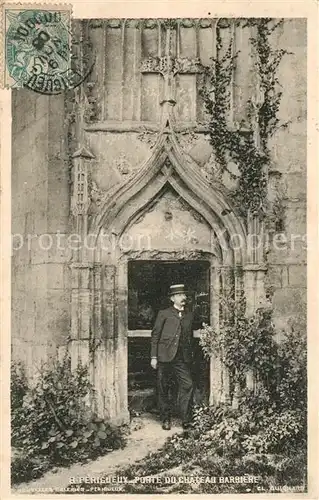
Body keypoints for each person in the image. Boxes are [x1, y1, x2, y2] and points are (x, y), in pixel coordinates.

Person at [150, 284, 196, 434]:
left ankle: (186, 420)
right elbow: (155, 335)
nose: (183, 297)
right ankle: (165, 419)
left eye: (184, 295)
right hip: (164, 357)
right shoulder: (164, 313)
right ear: (172, 298)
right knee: (163, 387)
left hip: (182, 358)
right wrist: (154, 357)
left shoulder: (190, 315)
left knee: (187, 385)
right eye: (179, 295)